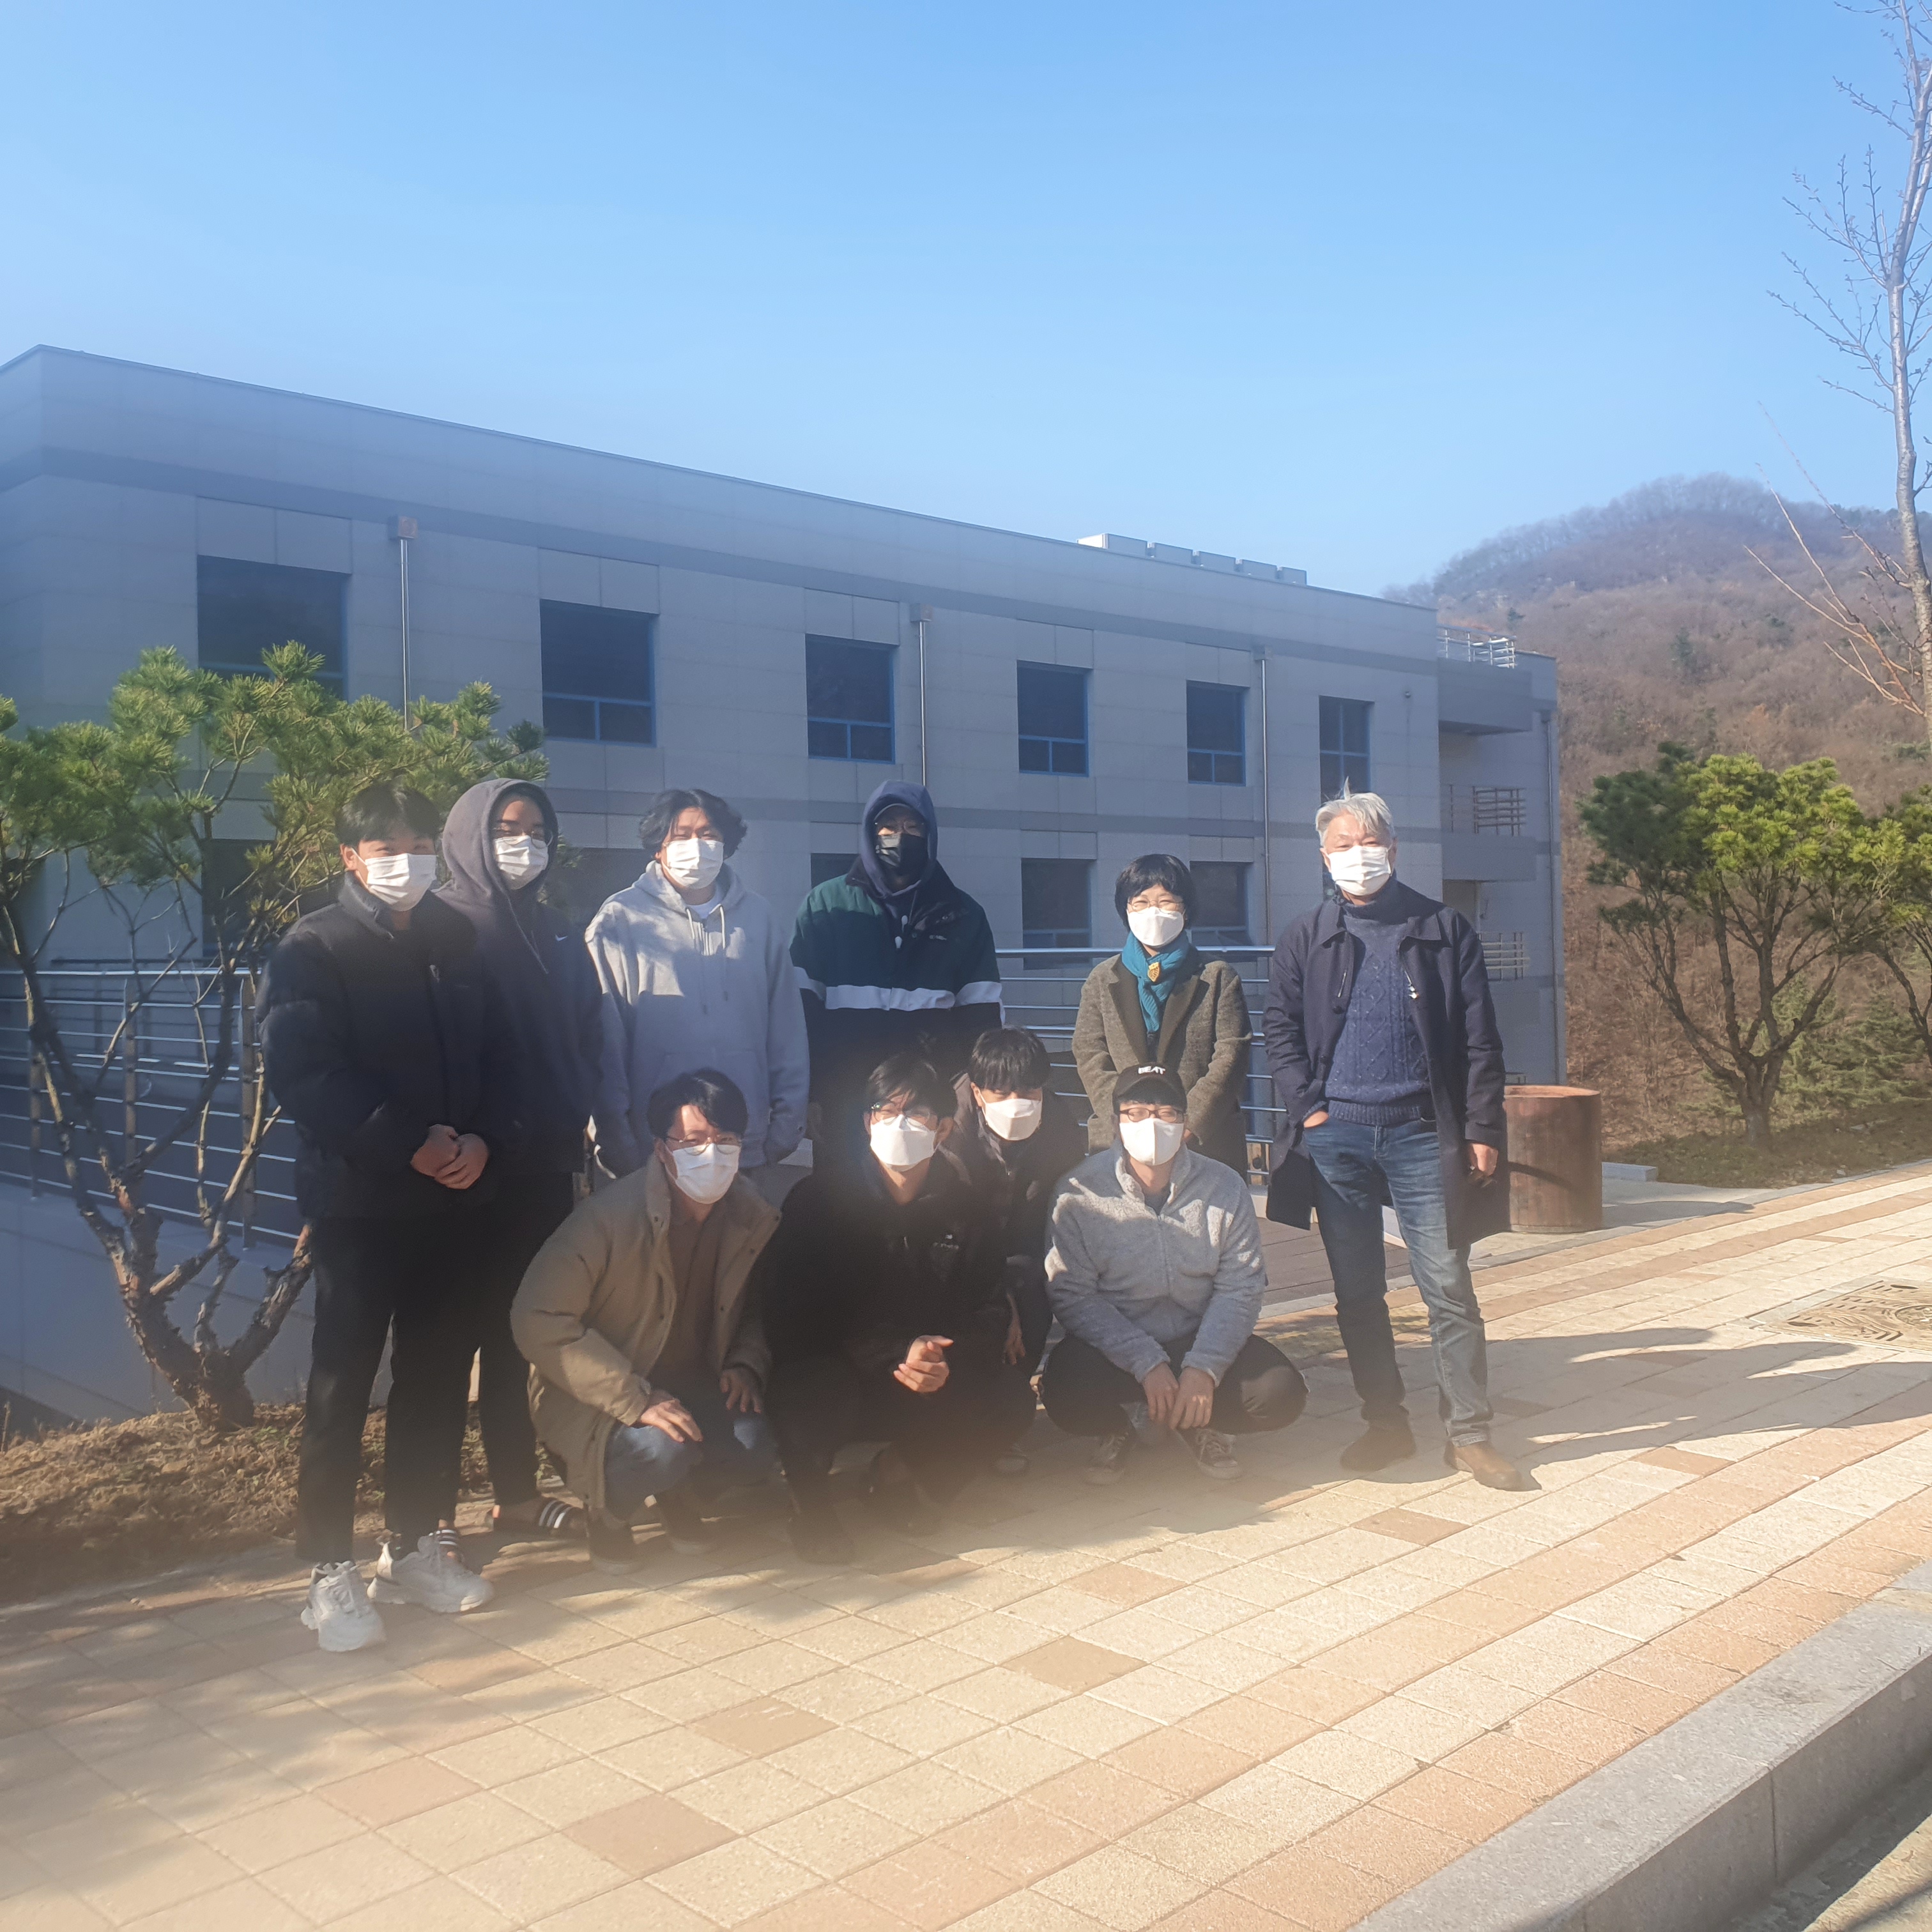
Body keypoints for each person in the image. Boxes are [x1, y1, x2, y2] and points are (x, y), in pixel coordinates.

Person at [260, 782, 514, 1652]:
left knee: (437, 1378)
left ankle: (410, 1547)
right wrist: (408, 1143)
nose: (406, 861)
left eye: (417, 845)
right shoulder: (313, 947)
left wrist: (484, 1139)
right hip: (361, 1204)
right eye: (385, 848)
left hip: (454, 1201)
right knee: (342, 1384)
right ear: (350, 857)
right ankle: (327, 1571)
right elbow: (305, 1074)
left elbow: (498, 1056)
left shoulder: (457, 940)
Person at [1262, 788, 1527, 1489]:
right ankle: (1384, 1423)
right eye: (1343, 846)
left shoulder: (1444, 929)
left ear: (1394, 848)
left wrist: (1483, 1127)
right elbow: (1279, 1031)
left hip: (1422, 1134)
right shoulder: (1306, 936)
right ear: (1323, 858)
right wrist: (1309, 1111)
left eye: (1369, 842)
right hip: (1337, 1139)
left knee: (1448, 1286)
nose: (1359, 856)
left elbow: (1480, 1038)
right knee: (1357, 1292)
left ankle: (1469, 1434)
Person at [760, 1052, 1036, 1564]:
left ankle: (902, 1478)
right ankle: (811, 1507)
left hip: (928, 1374)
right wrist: (893, 1351)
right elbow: (794, 1312)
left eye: (917, 1114)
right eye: (885, 1111)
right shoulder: (819, 1200)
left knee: (1010, 1401)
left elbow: (990, 1307)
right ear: (867, 1122)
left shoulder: (969, 1209)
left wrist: (942, 1355)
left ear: (944, 1128)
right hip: (841, 1371)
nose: (899, 1124)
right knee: (806, 1390)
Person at [510, 1070, 781, 1570]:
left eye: (726, 1140)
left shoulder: (751, 1215)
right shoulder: (608, 1219)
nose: (712, 1154)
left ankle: (680, 1497)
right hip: (600, 1392)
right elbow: (537, 1317)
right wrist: (635, 1397)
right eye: (693, 1142)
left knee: (754, 1444)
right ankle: (607, 1515)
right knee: (659, 1449)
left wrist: (744, 1362)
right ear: (661, 1149)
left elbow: (755, 1308)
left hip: (692, 1379)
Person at [436, 777, 604, 1544]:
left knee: (516, 1335)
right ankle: (429, 1514)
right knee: (446, 1345)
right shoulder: (442, 927)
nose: (524, 843)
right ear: (473, 832)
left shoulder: (557, 932)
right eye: (507, 827)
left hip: (543, 1165)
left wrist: (580, 1104)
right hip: (466, 1171)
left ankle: (517, 1494)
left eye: (538, 829)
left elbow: (588, 1033)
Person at [1042, 1066, 1305, 1485]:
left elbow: (1241, 1285)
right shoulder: (1079, 1191)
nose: (1152, 1124)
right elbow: (1073, 1294)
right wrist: (1146, 1362)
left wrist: (1204, 1367)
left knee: (1279, 1393)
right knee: (1063, 1389)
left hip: (1196, 1335)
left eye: (1166, 1113)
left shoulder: (1224, 1186)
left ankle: (1196, 1421)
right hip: (1118, 1348)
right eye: (1136, 1112)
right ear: (1115, 1122)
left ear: (1184, 1124)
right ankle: (1123, 1424)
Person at [588, 788, 808, 1193]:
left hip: (741, 1146)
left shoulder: (758, 919)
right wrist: (617, 1140)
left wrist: (786, 1126)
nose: (697, 845)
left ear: (726, 844)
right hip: (654, 1150)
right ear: (659, 847)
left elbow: (786, 1029)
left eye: (708, 834)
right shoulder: (620, 920)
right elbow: (605, 1042)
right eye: (682, 835)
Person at [790, 780, 1000, 1173]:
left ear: (929, 834)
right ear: (870, 834)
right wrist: (810, 1093)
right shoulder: (826, 906)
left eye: (912, 827)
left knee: (928, 1196)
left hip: (929, 1101)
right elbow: (800, 1012)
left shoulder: (963, 915)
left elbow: (982, 1019)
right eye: (888, 827)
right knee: (842, 1196)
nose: (899, 837)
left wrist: (967, 1099)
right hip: (843, 1096)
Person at [1073, 854, 1254, 1175]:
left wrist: (1186, 1122)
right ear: (1126, 910)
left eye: (1166, 902)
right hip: (1120, 1136)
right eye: (1141, 902)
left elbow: (1232, 1053)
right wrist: (1127, 1118)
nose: (1153, 912)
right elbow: (1089, 1052)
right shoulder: (1102, 979)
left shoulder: (1217, 975)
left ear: (1186, 909)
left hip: (1202, 1139)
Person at [948, 1025, 1086, 1380]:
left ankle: (1016, 1382)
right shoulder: (947, 1129)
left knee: (1032, 1302)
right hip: (958, 1253)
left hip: (1026, 1250)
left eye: (1028, 1091)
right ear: (977, 1092)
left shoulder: (1061, 1126)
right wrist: (1000, 1296)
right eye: (1001, 1092)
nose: (1016, 1102)